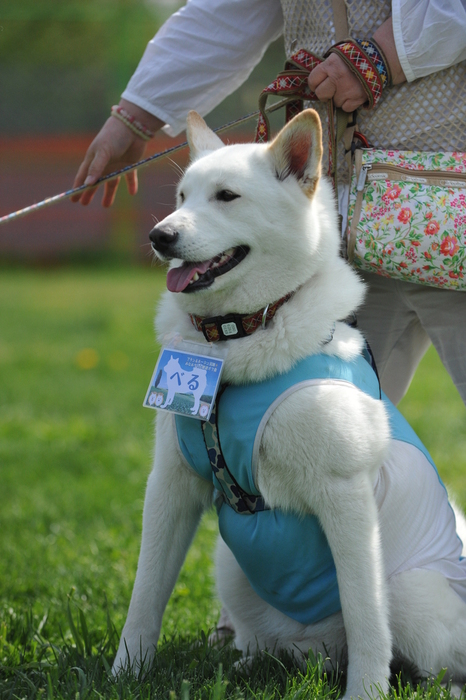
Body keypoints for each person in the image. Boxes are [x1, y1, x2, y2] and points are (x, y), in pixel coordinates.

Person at [72, 0, 466, 406]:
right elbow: (224, 14)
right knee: (333, 436)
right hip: (344, 233)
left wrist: (382, 58)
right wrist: (135, 116)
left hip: (454, 219)